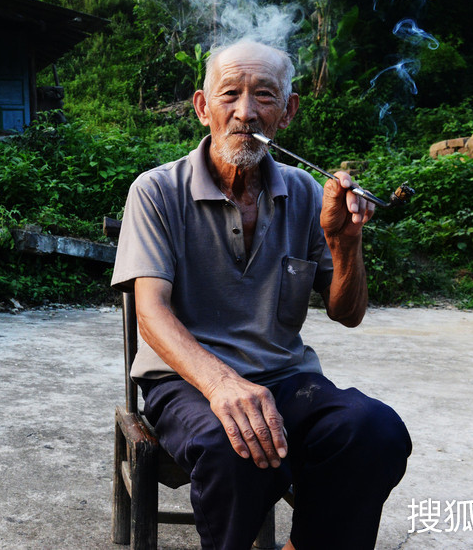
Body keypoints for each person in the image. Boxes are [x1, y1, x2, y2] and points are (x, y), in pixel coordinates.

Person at [111, 39, 411, 550]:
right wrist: (222, 383)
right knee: (233, 448)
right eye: (230, 94)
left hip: (285, 379)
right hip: (186, 383)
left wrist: (345, 242)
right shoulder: (155, 191)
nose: (245, 113)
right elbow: (150, 312)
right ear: (203, 107)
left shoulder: (306, 192)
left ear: (288, 112)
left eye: (265, 96)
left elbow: (348, 312)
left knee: (375, 431)